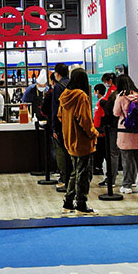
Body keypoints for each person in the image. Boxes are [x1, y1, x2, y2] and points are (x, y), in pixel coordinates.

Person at [58, 68, 100, 214]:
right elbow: (85, 121)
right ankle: (81, 204)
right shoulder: (81, 96)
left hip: (70, 139)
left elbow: (60, 116)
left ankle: (68, 202)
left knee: (75, 172)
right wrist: (94, 133)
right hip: (82, 141)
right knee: (84, 174)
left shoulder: (65, 95)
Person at [112, 74, 138, 194]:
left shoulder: (121, 96)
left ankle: (127, 185)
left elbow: (116, 113)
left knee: (126, 159)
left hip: (125, 131)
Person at [41, 63, 72, 191]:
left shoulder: (58, 87)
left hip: (61, 124)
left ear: (57, 74)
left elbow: (55, 109)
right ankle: (72, 179)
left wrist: (54, 128)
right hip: (73, 124)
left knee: (61, 153)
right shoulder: (72, 84)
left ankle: (64, 179)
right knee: (71, 153)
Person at [96, 73, 120, 188]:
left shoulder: (114, 91)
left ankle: (111, 179)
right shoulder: (113, 90)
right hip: (115, 125)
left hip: (112, 125)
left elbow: (109, 107)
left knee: (113, 153)